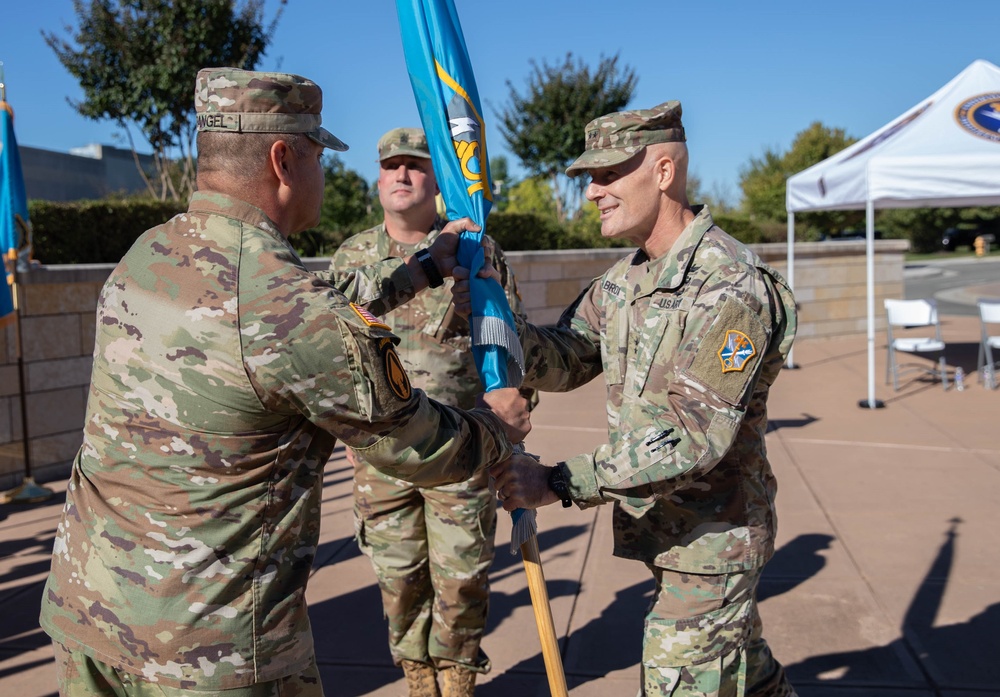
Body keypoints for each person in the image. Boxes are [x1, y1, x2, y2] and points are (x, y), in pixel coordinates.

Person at [38, 68, 531, 697]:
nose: (324, 171)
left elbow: (294, 317)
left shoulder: (149, 254)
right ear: (283, 160)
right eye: (319, 153)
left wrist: (417, 272)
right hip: (208, 654)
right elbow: (422, 447)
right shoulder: (281, 303)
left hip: (90, 617)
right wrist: (497, 426)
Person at [484, 101, 799, 696]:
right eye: (590, 179)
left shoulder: (731, 286)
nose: (592, 193)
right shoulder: (624, 281)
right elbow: (568, 356)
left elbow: (692, 435)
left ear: (662, 172)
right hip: (667, 530)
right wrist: (496, 320)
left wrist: (557, 482)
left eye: (608, 175)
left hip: (712, 540)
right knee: (746, 677)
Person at [328, 128, 530, 697]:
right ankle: (417, 672)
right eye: (390, 164)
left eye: (415, 165)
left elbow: (513, 346)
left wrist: (511, 424)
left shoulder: (476, 249)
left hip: (459, 448)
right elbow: (331, 349)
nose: (400, 175)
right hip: (382, 454)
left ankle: (458, 674)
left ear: (437, 179)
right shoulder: (353, 257)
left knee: (463, 574)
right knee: (397, 575)